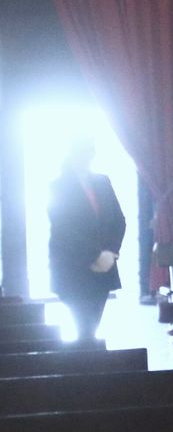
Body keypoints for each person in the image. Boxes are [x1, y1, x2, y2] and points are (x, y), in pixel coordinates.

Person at [48, 136, 127, 343]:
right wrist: (95, 255)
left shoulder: (102, 181)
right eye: (81, 152)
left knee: (92, 326)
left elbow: (119, 220)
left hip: (103, 266)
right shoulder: (58, 186)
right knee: (82, 328)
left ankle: (90, 362)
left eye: (89, 152)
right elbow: (64, 228)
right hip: (74, 267)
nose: (86, 157)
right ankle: (84, 366)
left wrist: (111, 252)